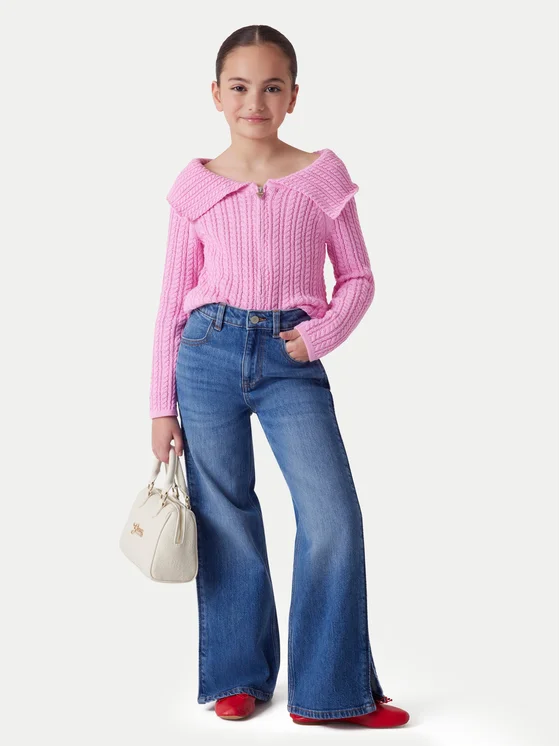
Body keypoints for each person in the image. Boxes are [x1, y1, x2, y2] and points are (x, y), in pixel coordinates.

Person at [149, 24, 410, 729]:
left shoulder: (321, 178)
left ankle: (331, 691)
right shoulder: (195, 186)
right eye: (239, 87)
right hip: (205, 354)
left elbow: (357, 278)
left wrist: (317, 336)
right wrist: (160, 404)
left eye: (271, 87)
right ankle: (237, 675)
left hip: (290, 359)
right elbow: (171, 301)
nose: (254, 102)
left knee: (331, 517)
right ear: (215, 94)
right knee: (224, 514)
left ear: (293, 96)